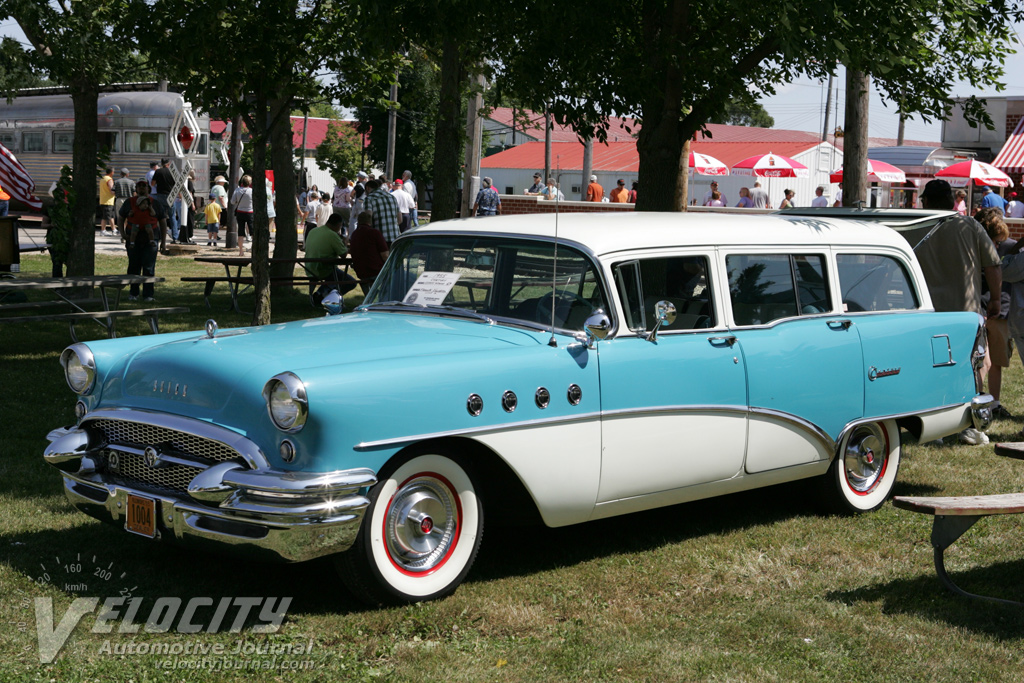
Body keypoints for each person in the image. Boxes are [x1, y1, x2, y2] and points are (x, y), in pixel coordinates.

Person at [916, 179, 1001, 445]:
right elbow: (993, 264)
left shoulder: (915, 228)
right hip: (965, 311)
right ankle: (969, 426)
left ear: (926, 201)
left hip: (926, 311)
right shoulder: (970, 226)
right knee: (976, 366)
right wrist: (996, 298)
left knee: (932, 369)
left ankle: (934, 429)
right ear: (954, 201)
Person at [975, 207, 1016, 420]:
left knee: (996, 360)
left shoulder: (1010, 246)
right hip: (980, 309)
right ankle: (979, 402)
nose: (997, 245)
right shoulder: (974, 246)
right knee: (982, 361)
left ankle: (994, 403)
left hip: (998, 310)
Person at [119, 179, 167, 302]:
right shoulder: (129, 202)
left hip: (151, 239)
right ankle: (133, 293)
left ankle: (148, 295)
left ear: (148, 189)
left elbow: (162, 221)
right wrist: (123, 234)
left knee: (149, 267)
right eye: (139, 186)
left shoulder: (155, 203)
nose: (141, 188)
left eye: (143, 186)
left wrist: (163, 242)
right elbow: (120, 217)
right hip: (133, 239)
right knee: (134, 266)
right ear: (136, 189)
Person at [304, 213, 357, 303]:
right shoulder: (332, 235)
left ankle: (321, 293)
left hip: (309, 267)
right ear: (338, 225)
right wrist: (344, 242)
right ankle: (328, 296)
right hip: (323, 269)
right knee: (351, 282)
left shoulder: (314, 231)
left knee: (335, 277)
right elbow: (343, 254)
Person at [349, 210, 389, 294]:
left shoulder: (354, 234)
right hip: (376, 270)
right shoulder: (374, 233)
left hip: (361, 272)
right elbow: (385, 255)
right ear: (370, 221)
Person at [363, 178, 401, 245]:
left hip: (379, 238)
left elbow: (367, 219)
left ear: (368, 188)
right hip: (395, 237)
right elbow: (400, 219)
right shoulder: (392, 197)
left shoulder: (369, 199)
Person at [232, 174, 254, 253]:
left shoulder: (237, 190)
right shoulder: (251, 191)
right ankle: (253, 248)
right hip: (250, 212)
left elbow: (232, 201)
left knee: (240, 232)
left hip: (240, 212)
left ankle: (241, 250)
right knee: (252, 231)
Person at [112, 168, 134, 241]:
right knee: (129, 218)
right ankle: (128, 234)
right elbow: (134, 192)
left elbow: (112, 191)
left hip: (119, 199)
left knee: (120, 218)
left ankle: (122, 235)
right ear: (127, 174)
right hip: (129, 200)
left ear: (121, 174)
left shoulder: (117, 181)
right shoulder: (131, 182)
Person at [349, 171, 368, 236]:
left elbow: (352, 193)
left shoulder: (359, 185)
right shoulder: (368, 185)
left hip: (358, 203)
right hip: (365, 203)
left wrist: (352, 198)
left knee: (353, 220)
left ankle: (352, 235)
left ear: (360, 178)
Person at [98, 167, 116, 237]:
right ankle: (113, 229)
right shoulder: (109, 180)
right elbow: (112, 191)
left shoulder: (102, 179)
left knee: (105, 216)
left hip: (103, 199)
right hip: (108, 201)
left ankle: (104, 230)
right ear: (111, 172)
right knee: (109, 216)